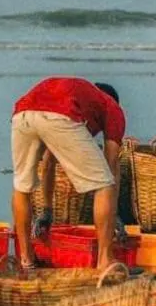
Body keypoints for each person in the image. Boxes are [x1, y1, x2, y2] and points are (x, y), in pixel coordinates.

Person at [11, 78, 124, 270]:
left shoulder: (81, 98)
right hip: (59, 115)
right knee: (105, 185)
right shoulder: (112, 108)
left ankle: (26, 259)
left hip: (22, 114)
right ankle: (105, 261)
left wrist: (46, 211)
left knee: (22, 185)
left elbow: (48, 162)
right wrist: (114, 216)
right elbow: (111, 166)